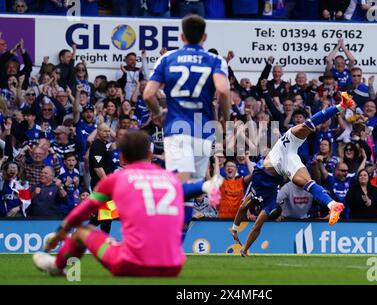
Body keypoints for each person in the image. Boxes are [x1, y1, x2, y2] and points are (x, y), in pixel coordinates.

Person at [32, 130, 221, 276]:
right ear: (150, 155)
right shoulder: (170, 179)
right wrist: (207, 186)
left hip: (130, 263)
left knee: (83, 232)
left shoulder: (116, 179)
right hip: (173, 266)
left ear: (122, 159)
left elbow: (81, 212)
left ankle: (57, 266)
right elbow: (190, 189)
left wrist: (60, 233)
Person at [230, 93, 355, 256]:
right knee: (306, 182)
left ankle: (342, 105)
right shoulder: (270, 205)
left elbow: (245, 213)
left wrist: (235, 229)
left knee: (307, 125)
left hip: (283, 150)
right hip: (285, 163)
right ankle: (332, 205)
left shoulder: (258, 194)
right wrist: (243, 247)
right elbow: (254, 225)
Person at [143, 14, 230, 238]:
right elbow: (222, 90)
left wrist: (158, 112)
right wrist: (224, 119)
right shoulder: (216, 61)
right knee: (187, 194)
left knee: (179, 189)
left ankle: (206, 186)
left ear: (182, 36)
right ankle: (175, 251)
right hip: (203, 130)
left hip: (177, 129)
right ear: (204, 37)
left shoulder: (168, 58)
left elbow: (148, 94)